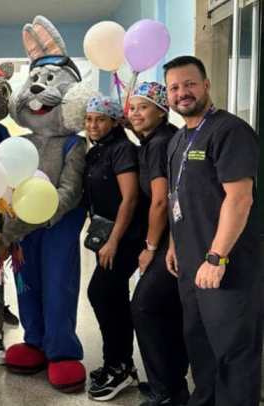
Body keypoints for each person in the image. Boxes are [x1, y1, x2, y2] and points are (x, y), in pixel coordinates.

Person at [164, 55, 262, 406]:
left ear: (206, 85)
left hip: (226, 267)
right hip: (191, 267)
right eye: (174, 87)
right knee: (201, 350)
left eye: (189, 84)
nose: (182, 93)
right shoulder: (177, 141)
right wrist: (174, 245)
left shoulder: (230, 131)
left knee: (233, 354)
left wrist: (216, 257)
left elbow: (239, 199)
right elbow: (179, 196)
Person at [127, 82, 189, 406]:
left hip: (169, 242)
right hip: (177, 238)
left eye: (144, 107)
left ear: (161, 110)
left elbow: (161, 202)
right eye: (132, 107)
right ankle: (171, 384)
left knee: (145, 307)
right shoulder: (164, 138)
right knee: (167, 310)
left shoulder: (157, 143)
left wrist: (150, 249)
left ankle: (166, 390)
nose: (136, 113)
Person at [83, 95, 144, 401]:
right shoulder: (97, 150)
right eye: (89, 119)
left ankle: (119, 365)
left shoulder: (121, 150)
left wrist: (114, 241)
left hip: (125, 238)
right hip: (106, 238)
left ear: (114, 122)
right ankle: (120, 365)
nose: (93, 125)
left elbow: (130, 198)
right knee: (114, 296)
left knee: (101, 293)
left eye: (100, 119)